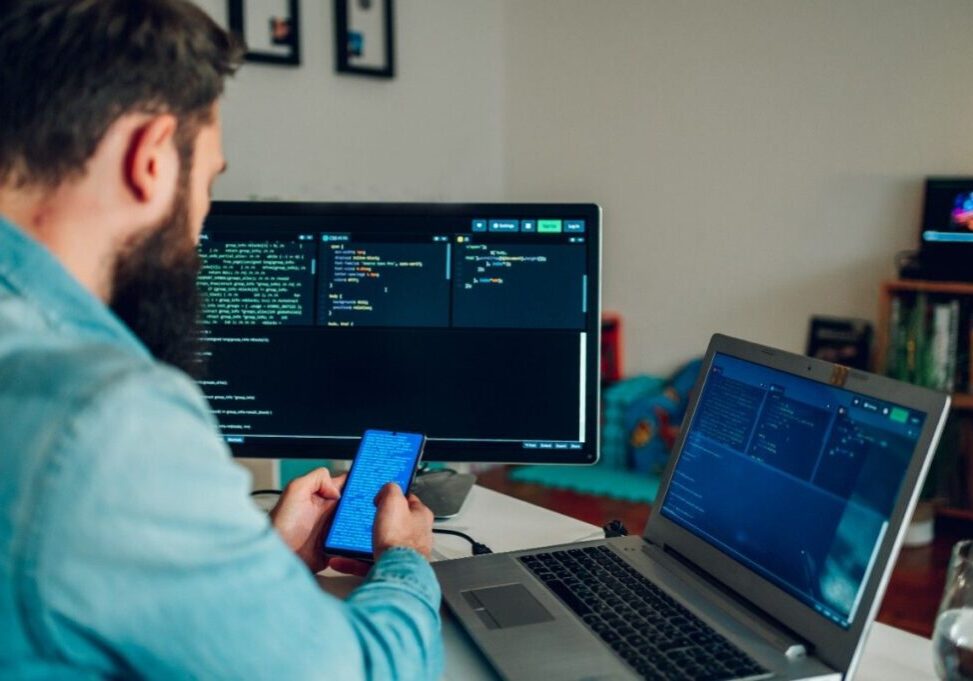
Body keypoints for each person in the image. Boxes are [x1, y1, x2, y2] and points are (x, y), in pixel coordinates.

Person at [0, 1, 442, 679]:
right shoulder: (109, 413)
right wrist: (405, 558)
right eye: (206, 181)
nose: (201, 220)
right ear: (150, 158)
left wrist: (260, 561)